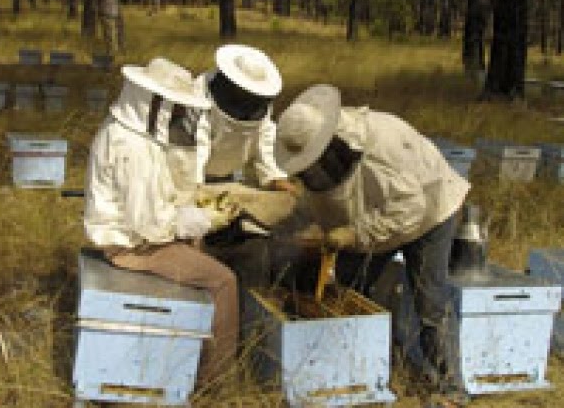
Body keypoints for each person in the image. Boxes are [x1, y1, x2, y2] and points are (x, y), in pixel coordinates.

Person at [274, 84, 471, 388]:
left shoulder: (384, 141)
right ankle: (359, 370)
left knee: (429, 299)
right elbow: (320, 202)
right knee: (350, 288)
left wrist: (354, 234)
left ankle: (451, 385)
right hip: (376, 221)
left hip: (429, 211)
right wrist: (285, 227)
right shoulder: (326, 162)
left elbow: (410, 209)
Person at [83, 57, 240, 382]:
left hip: (137, 238)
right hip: (132, 248)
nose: (182, 117)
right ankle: (218, 381)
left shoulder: (130, 134)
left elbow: (155, 200)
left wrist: (194, 209)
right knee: (224, 282)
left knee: (196, 247)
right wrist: (205, 219)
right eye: (177, 109)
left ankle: (184, 354)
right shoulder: (132, 146)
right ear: (154, 103)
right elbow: (150, 226)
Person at [196, 44, 297, 195]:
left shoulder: (258, 105)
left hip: (232, 177)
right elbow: (196, 143)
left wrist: (277, 178)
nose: (248, 95)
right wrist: (195, 182)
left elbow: (265, 138)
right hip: (193, 177)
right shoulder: (200, 96)